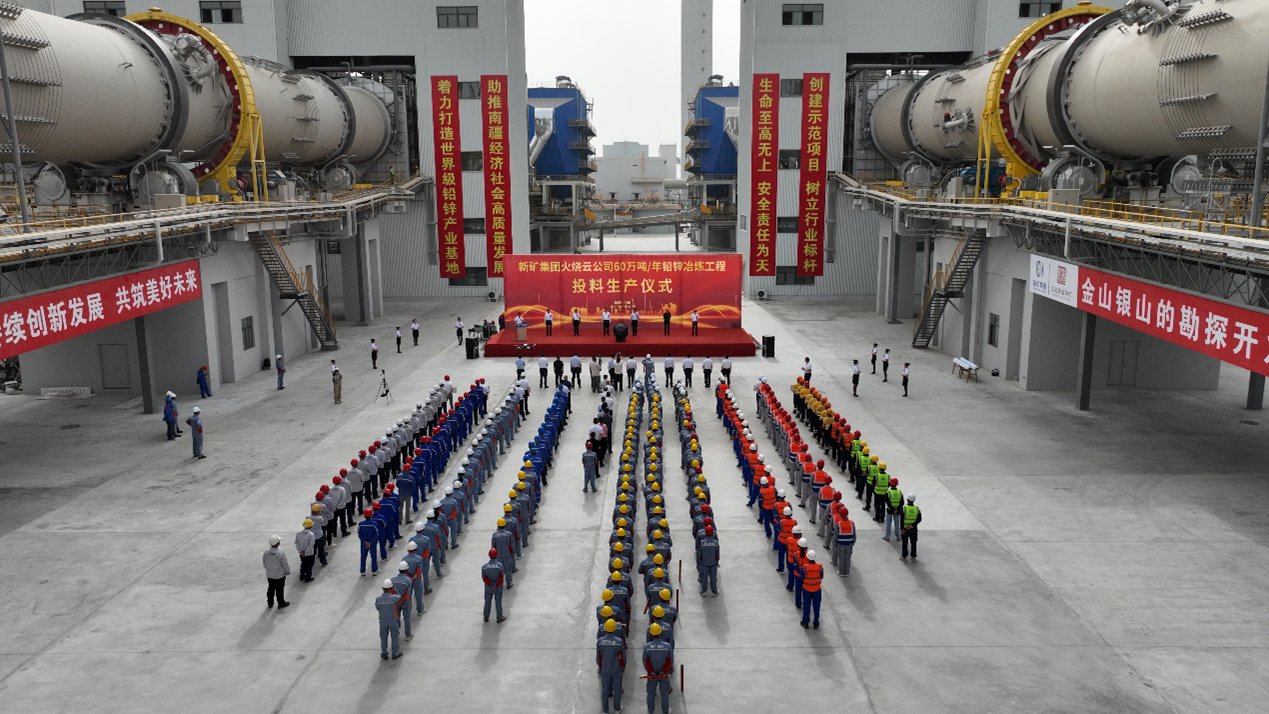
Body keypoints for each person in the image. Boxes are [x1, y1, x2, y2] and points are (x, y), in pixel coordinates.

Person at [643, 624, 674, 714]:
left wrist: (652, 672)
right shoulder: (667, 646)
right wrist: (663, 672)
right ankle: (665, 710)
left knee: (651, 693)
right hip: (664, 675)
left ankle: (650, 711)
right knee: (664, 693)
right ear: (660, 633)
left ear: (651, 634)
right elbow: (670, 661)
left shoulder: (647, 647)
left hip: (651, 675)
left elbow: (646, 662)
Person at [597, 619, 626, 714]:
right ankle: (617, 708)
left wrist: (600, 666)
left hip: (605, 668)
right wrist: (623, 665)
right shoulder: (619, 641)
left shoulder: (600, 641)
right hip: (616, 668)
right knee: (617, 688)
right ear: (614, 629)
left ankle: (605, 709)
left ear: (605, 628)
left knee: (605, 689)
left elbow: (599, 656)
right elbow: (622, 656)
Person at [375, 578, 404, 659]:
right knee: (394, 638)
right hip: (393, 621)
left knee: (383, 638)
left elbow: (377, 608)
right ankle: (395, 653)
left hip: (383, 621)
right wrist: (395, 589)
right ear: (391, 588)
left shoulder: (378, 599)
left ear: (382, 588)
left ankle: (384, 653)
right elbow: (400, 596)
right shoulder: (393, 598)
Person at [263, 535, 291, 608]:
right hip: (279, 575)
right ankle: (281, 603)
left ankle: (270, 603)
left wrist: (268, 570)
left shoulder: (266, 552)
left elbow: (264, 562)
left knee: (270, 589)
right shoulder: (280, 553)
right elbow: (285, 563)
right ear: (278, 543)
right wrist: (287, 571)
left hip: (270, 575)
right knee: (279, 590)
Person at [482, 548, 507, 622]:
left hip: (488, 587)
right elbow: (501, 578)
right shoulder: (500, 566)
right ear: (497, 556)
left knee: (487, 601)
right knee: (498, 601)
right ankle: (499, 617)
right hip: (498, 587)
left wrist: (491, 584)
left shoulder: (484, 567)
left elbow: (484, 578)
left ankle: (486, 616)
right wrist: (495, 586)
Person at [801, 550, 824, 629]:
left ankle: (805, 622)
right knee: (816, 607)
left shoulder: (805, 567)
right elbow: (821, 576)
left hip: (807, 589)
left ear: (807, 557)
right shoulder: (820, 567)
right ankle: (816, 623)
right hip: (817, 589)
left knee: (806, 606)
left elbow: (801, 576)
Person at [359, 508, 382, 575]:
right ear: (371, 515)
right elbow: (376, 534)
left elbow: (360, 534)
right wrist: (370, 542)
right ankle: (374, 570)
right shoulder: (374, 524)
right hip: (372, 543)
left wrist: (365, 542)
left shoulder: (361, 524)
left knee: (363, 556)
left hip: (363, 543)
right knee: (373, 556)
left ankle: (362, 571)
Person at [697, 525, 719, 595]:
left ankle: (704, 591)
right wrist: (717, 561)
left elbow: (699, 554)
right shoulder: (716, 543)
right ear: (712, 533)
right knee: (713, 578)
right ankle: (714, 591)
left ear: (706, 533)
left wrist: (699, 562)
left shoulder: (702, 543)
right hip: (713, 563)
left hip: (704, 563)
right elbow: (717, 553)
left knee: (704, 578)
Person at [901, 493, 921, 562]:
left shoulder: (904, 508)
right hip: (914, 529)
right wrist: (912, 525)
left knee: (905, 543)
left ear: (907, 500)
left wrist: (902, 529)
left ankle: (904, 556)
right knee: (913, 543)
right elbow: (919, 519)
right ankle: (913, 556)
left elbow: (901, 520)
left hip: (905, 529)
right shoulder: (917, 509)